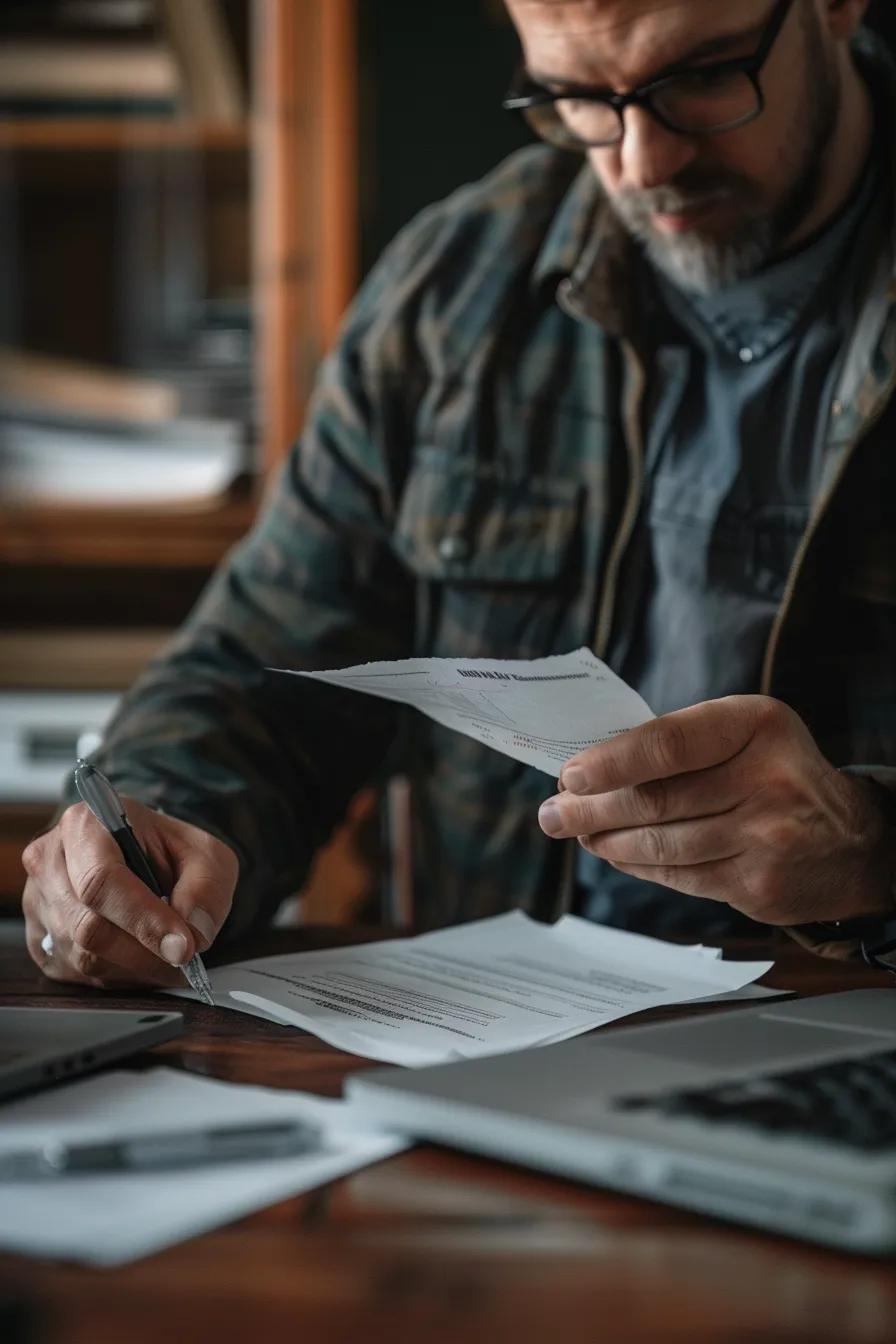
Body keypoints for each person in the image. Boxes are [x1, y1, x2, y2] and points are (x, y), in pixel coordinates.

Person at [22, 0, 896, 990]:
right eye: (576, 98)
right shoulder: (453, 293)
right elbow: (255, 670)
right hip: (500, 1050)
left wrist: (868, 850)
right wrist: (159, 829)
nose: (642, 165)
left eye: (701, 77)